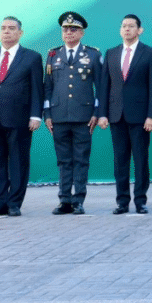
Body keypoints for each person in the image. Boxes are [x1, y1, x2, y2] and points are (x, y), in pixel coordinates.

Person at [0, 16, 44, 217]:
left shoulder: (32, 57)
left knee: (18, 162)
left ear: (20, 33)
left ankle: (14, 203)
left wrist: (36, 116)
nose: (7, 32)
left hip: (19, 119)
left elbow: (38, 89)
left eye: (12, 28)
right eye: (3, 28)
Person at [99, 14, 152, 215]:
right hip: (116, 116)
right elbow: (104, 87)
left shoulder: (150, 53)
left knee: (141, 159)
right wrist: (102, 114)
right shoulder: (111, 53)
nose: (127, 29)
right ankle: (122, 201)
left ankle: (141, 201)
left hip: (141, 117)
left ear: (139, 30)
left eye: (131, 26)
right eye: (124, 26)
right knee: (120, 160)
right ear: (120, 30)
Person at [43, 11, 102, 216]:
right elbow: (47, 88)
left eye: (73, 29)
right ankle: (64, 200)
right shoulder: (53, 55)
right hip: (58, 116)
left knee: (81, 159)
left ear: (82, 33)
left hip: (84, 116)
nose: (68, 32)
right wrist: (47, 114)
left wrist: (96, 112)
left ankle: (79, 200)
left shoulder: (93, 55)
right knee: (63, 160)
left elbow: (100, 87)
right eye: (65, 29)